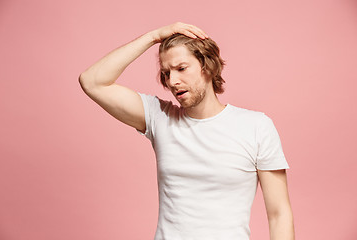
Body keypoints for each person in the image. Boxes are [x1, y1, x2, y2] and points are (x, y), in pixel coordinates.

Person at [78, 22, 295, 240]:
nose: (173, 81)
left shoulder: (256, 126)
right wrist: (153, 36)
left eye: (181, 68)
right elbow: (92, 81)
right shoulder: (159, 117)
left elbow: (279, 214)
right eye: (166, 72)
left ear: (208, 66)